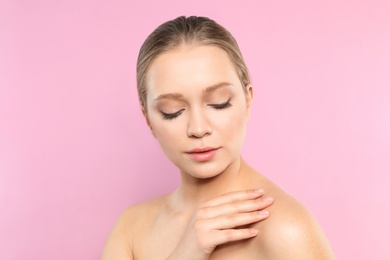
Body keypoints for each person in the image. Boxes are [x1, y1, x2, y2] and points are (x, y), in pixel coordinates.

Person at [101, 16, 335, 259]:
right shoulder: (130, 229)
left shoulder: (286, 230)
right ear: (148, 118)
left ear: (247, 100)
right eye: (173, 111)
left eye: (219, 103)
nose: (198, 129)